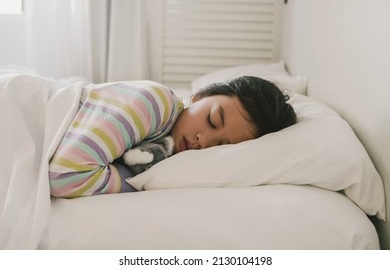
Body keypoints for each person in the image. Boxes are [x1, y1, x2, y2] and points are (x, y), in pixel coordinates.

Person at [49, 76, 296, 198]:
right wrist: (133, 182)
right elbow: (66, 176)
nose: (204, 140)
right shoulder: (157, 103)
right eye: (212, 120)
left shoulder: (165, 149)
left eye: (222, 145)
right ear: (200, 95)